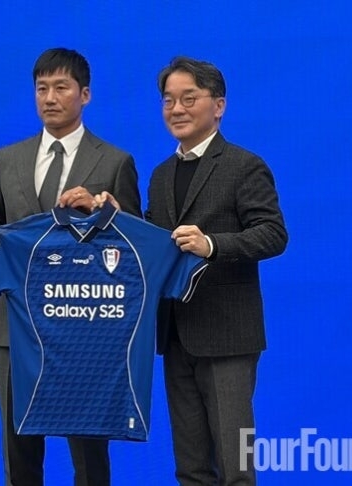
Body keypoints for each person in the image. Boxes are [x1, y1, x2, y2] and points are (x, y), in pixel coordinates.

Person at [0, 48, 141, 486]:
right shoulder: (8, 158)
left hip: (85, 328)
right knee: (18, 451)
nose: (49, 97)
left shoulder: (114, 161)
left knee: (89, 457)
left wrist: (104, 212)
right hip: (15, 327)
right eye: (41, 88)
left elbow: (136, 246)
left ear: (85, 94)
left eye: (61, 87)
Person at [146, 57, 288, 485]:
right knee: (190, 469)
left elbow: (273, 234)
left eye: (189, 98)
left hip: (228, 338)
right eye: (168, 100)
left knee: (236, 466)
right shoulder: (160, 175)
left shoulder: (244, 165)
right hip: (175, 334)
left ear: (219, 105)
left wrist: (212, 245)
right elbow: (154, 241)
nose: (177, 109)